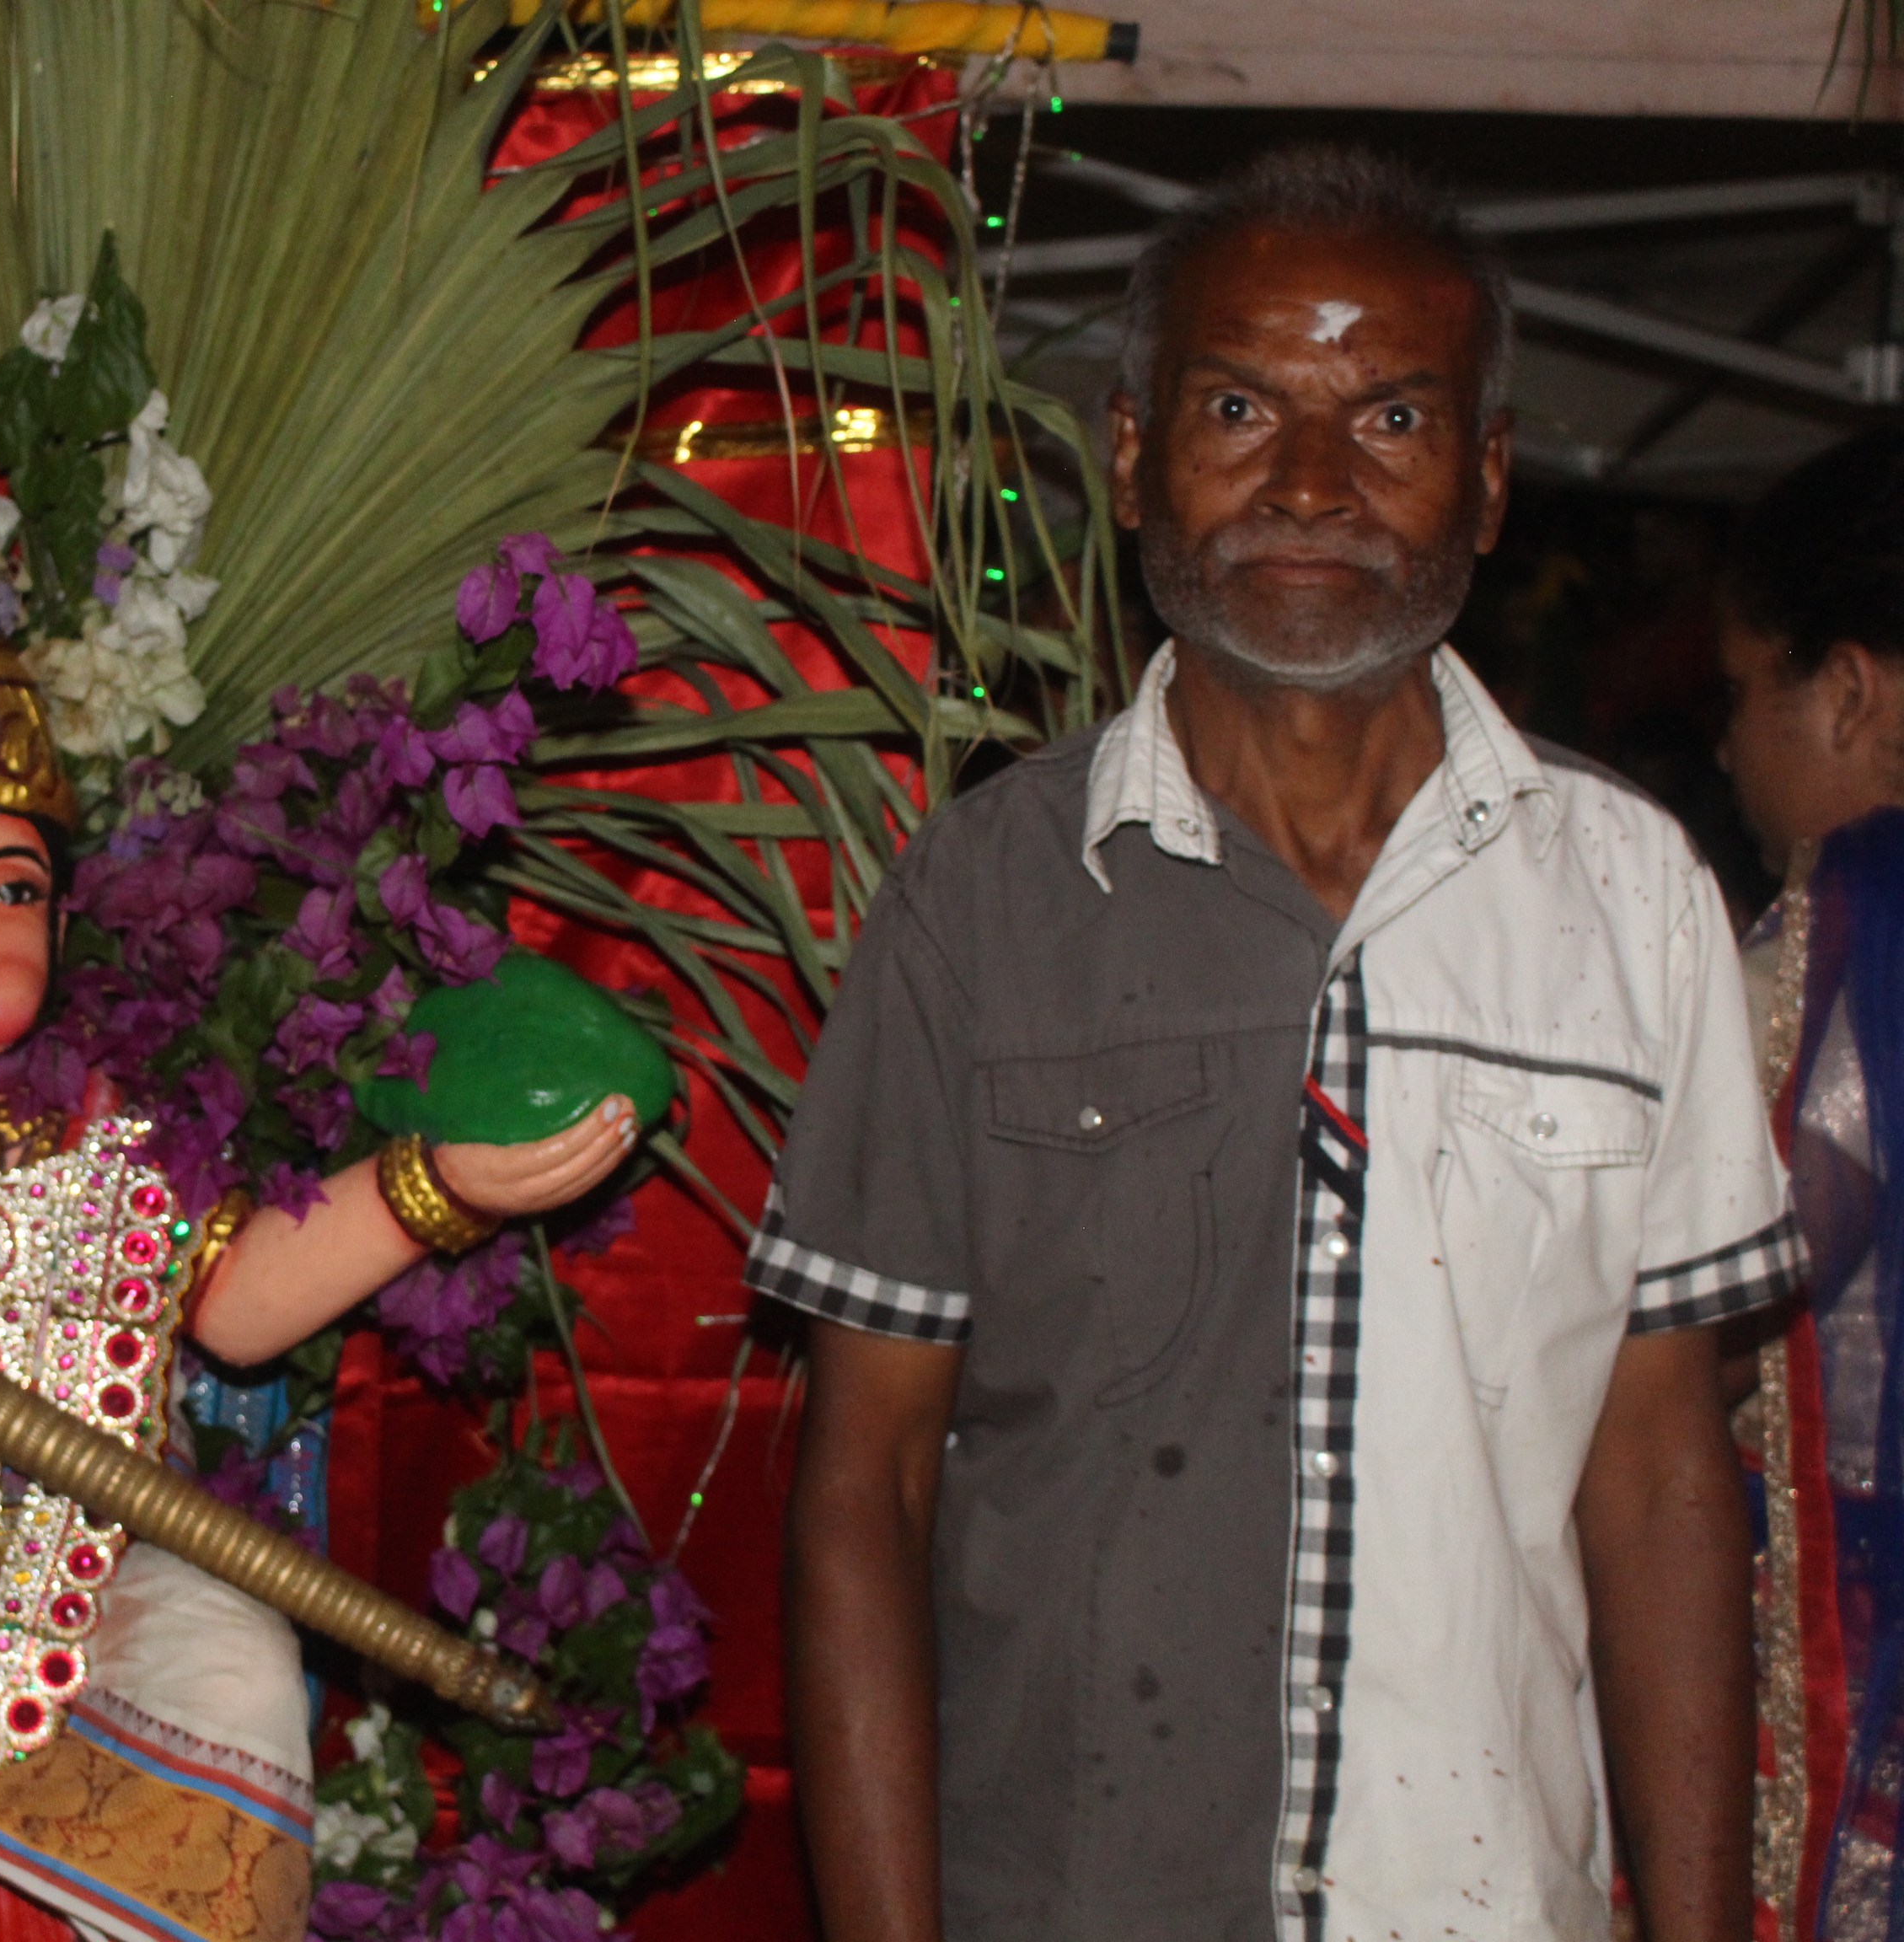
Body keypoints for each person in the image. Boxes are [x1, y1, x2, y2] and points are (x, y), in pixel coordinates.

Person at [753, 147, 1799, 1942]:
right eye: (1241, 406)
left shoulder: (1631, 899)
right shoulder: (982, 904)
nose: (1312, 483)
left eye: (1391, 418)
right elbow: (865, 1483)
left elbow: (1658, 1471)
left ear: (1486, 480)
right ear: (1139, 446)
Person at [0, 633, 637, 1942]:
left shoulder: (127, 1142)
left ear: (66, 925)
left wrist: (441, 1186)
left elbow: (242, 1311)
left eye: (9, 893)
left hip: (84, 1588)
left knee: (239, 1659)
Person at [1714, 429, 1904, 1940]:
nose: (1724, 750)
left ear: (1847, 689)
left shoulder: (1847, 946)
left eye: (1738, 690)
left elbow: (1738, 1273)